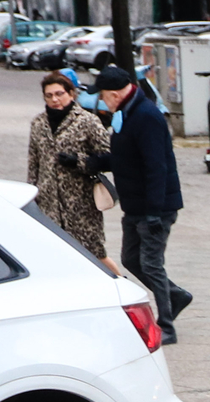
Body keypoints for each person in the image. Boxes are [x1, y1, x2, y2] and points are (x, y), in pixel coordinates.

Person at [71, 66, 190, 342]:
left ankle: (167, 325)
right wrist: (97, 162)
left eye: (102, 95)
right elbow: (127, 157)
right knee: (130, 259)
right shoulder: (127, 113)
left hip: (155, 207)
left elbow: (156, 168)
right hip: (136, 205)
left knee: (150, 264)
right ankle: (175, 296)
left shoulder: (146, 116)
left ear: (114, 94)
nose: (101, 101)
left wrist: (153, 213)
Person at [27, 72, 114, 267]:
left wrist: (79, 161)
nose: (54, 99)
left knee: (93, 255)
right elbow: (33, 163)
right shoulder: (38, 123)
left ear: (71, 94)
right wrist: (31, 195)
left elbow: (108, 158)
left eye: (59, 94)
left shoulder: (87, 121)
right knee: (56, 255)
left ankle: (120, 283)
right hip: (48, 203)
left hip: (81, 204)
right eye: (49, 96)